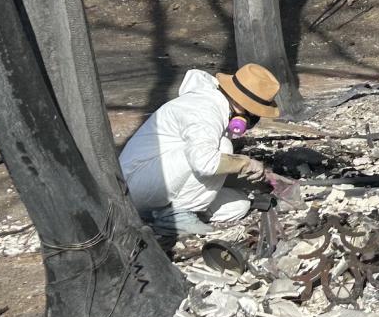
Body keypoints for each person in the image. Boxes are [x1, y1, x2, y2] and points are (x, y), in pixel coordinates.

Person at [119, 63, 281, 236]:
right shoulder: (203, 109)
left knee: (239, 205)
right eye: (254, 113)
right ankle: (175, 217)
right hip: (135, 185)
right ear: (242, 104)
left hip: (162, 182)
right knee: (222, 147)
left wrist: (257, 177)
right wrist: (245, 163)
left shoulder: (220, 107)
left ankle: (160, 215)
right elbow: (205, 163)